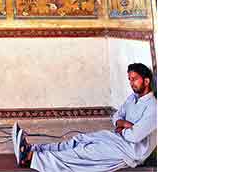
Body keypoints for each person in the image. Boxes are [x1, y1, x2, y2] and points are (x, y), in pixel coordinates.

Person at [11, 63, 156, 171]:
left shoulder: (154, 108)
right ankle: (35, 149)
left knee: (84, 152)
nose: (131, 83)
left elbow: (135, 137)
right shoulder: (132, 98)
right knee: (80, 140)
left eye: (135, 79)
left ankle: (33, 160)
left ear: (147, 81)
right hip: (116, 138)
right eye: (130, 79)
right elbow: (116, 117)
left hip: (130, 152)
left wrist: (122, 128)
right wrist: (123, 123)